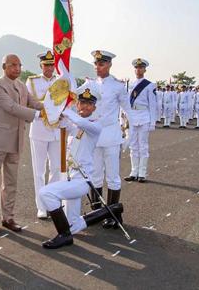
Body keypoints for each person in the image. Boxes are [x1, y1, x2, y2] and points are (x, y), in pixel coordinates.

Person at [38, 87, 124, 249]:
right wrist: (58, 113)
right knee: (73, 224)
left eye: (89, 104)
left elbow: (81, 122)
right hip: (70, 176)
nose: (84, 106)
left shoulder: (96, 126)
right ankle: (111, 209)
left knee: (45, 193)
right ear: (77, 104)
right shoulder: (75, 124)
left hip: (81, 180)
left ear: (95, 107)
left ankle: (64, 236)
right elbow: (63, 125)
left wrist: (67, 111)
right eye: (82, 102)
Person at [0, 54, 43, 234]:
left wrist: (55, 108)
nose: (17, 68)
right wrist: (38, 115)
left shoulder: (21, 86)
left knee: (10, 182)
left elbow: (35, 103)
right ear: (4, 67)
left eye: (19, 65)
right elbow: (11, 107)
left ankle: (8, 217)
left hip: (15, 141)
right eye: (13, 65)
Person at [80, 50, 131, 228]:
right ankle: (97, 212)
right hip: (94, 136)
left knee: (113, 177)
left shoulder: (117, 86)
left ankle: (113, 214)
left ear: (109, 64)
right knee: (95, 176)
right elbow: (75, 100)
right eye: (96, 63)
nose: (97, 67)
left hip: (111, 136)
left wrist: (129, 135)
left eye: (101, 64)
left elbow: (127, 110)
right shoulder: (90, 84)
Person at [26, 50, 62, 219]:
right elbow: (28, 102)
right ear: (41, 65)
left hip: (56, 130)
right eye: (46, 64)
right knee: (39, 171)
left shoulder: (61, 81)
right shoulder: (32, 81)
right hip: (39, 129)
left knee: (56, 168)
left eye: (51, 64)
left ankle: (52, 202)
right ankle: (41, 206)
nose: (49, 67)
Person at [123, 58, 157, 183]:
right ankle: (133, 171)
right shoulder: (129, 84)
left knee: (143, 146)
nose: (138, 70)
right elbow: (126, 102)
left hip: (144, 117)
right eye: (136, 67)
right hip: (132, 116)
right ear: (134, 69)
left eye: (141, 67)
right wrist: (125, 118)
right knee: (133, 145)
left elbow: (153, 105)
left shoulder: (149, 85)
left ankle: (142, 173)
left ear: (145, 69)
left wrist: (152, 122)